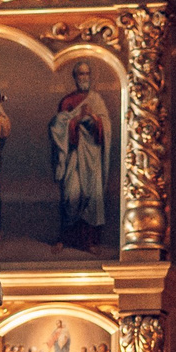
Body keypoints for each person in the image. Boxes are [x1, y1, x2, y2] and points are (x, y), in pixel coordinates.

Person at [51, 60, 113, 252]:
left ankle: (89, 242)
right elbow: (57, 127)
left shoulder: (96, 100)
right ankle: (66, 238)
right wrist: (76, 118)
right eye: (80, 74)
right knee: (71, 194)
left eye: (86, 74)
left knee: (91, 196)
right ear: (75, 77)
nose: (84, 78)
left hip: (92, 156)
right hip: (74, 157)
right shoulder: (68, 101)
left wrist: (94, 118)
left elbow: (106, 127)